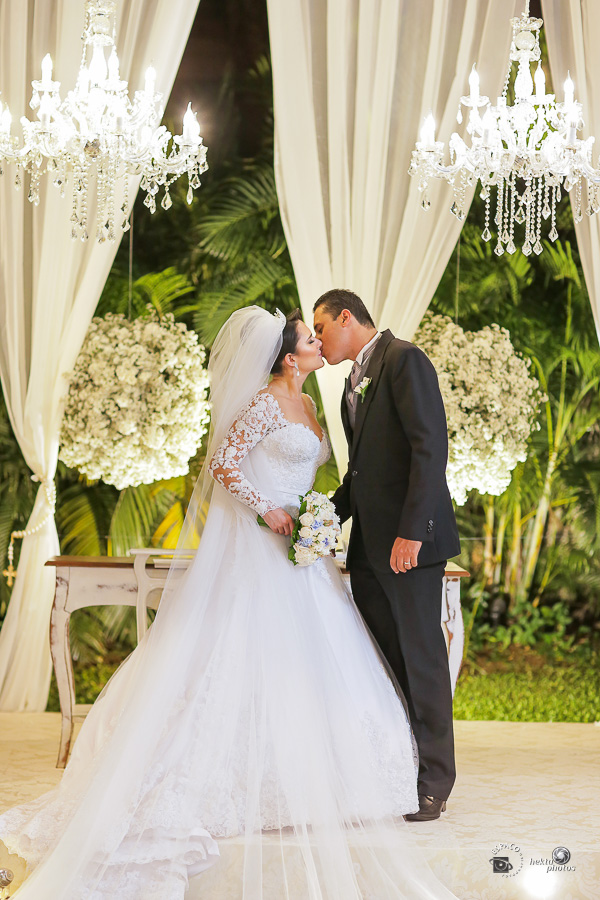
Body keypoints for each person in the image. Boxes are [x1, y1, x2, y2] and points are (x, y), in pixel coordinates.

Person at [0, 306, 458, 899]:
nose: (317, 342)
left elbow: (412, 454)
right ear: (289, 357)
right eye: (308, 338)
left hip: (313, 556)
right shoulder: (270, 402)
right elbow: (224, 464)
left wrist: (321, 518)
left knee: (342, 664)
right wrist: (272, 509)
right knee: (254, 659)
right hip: (266, 552)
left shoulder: (332, 395)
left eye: (322, 331)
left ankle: (416, 780)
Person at [313, 289, 461, 822]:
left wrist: (413, 533)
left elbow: (430, 447)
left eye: (322, 328)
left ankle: (435, 783)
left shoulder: (405, 360)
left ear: (346, 318)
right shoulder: (352, 382)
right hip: (369, 551)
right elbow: (361, 473)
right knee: (386, 663)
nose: (318, 339)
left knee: (421, 662)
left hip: (409, 547)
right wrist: (324, 522)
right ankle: (403, 769)